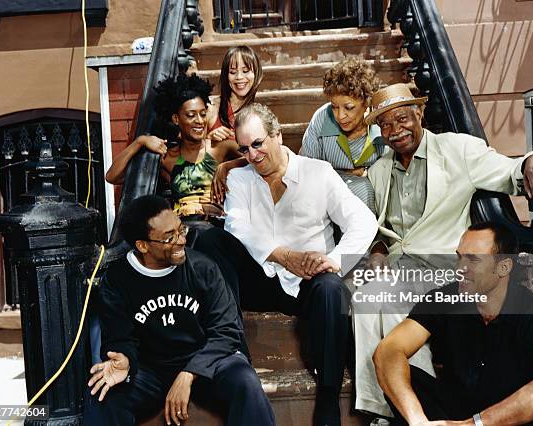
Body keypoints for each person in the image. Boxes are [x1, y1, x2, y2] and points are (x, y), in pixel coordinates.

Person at [352, 83, 533, 418]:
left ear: (419, 113)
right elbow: (378, 229)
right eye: (386, 125)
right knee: (367, 296)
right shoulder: (378, 171)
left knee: (388, 298)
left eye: (403, 118)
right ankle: (382, 409)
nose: (396, 130)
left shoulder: (457, 150)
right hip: (399, 268)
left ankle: (421, 407)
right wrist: (377, 251)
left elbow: (506, 169)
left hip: (448, 269)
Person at [195, 103, 377, 426]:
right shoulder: (239, 178)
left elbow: (364, 221)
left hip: (309, 282)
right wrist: (285, 256)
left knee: (333, 289)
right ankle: (237, 358)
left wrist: (332, 261)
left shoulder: (318, 173)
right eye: (244, 148)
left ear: (278, 135)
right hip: (262, 277)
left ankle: (328, 399)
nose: (251, 155)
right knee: (210, 240)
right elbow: (237, 227)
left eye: (258, 144)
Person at [83, 194, 274, 426]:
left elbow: (227, 331)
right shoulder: (117, 281)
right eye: (169, 237)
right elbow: (120, 338)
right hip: (150, 371)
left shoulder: (203, 268)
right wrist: (124, 359)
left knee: (245, 379)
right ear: (142, 245)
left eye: (180, 230)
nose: (181, 241)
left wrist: (188, 374)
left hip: (205, 362)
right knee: (104, 395)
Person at [373, 222, 533, 425]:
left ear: (503, 267)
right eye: (459, 257)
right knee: (404, 377)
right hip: (452, 414)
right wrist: (417, 420)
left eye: (473, 260)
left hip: (506, 420)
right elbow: (388, 351)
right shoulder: (444, 299)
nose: (461, 268)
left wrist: (473, 424)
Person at [104, 74, 241, 232]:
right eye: (191, 115)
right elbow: (112, 176)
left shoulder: (220, 148)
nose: (199, 121)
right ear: (176, 119)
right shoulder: (168, 156)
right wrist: (139, 142)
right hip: (184, 233)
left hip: (217, 227)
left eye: (203, 114)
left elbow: (259, 158)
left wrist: (227, 166)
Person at [300, 56, 384, 214]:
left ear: (367, 102)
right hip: (326, 200)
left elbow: (390, 172)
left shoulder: (381, 123)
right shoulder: (322, 118)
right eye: (334, 107)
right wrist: (350, 174)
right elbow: (307, 170)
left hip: (374, 202)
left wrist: (367, 174)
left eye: (349, 107)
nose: (340, 116)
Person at [207, 46, 264, 203]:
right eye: (233, 72)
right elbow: (187, 153)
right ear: (226, 76)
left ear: (256, 73)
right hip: (212, 195)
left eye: (246, 71)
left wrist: (227, 166)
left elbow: (267, 158)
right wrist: (208, 139)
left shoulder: (260, 116)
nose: (239, 77)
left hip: (248, 194)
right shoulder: (211, 108)